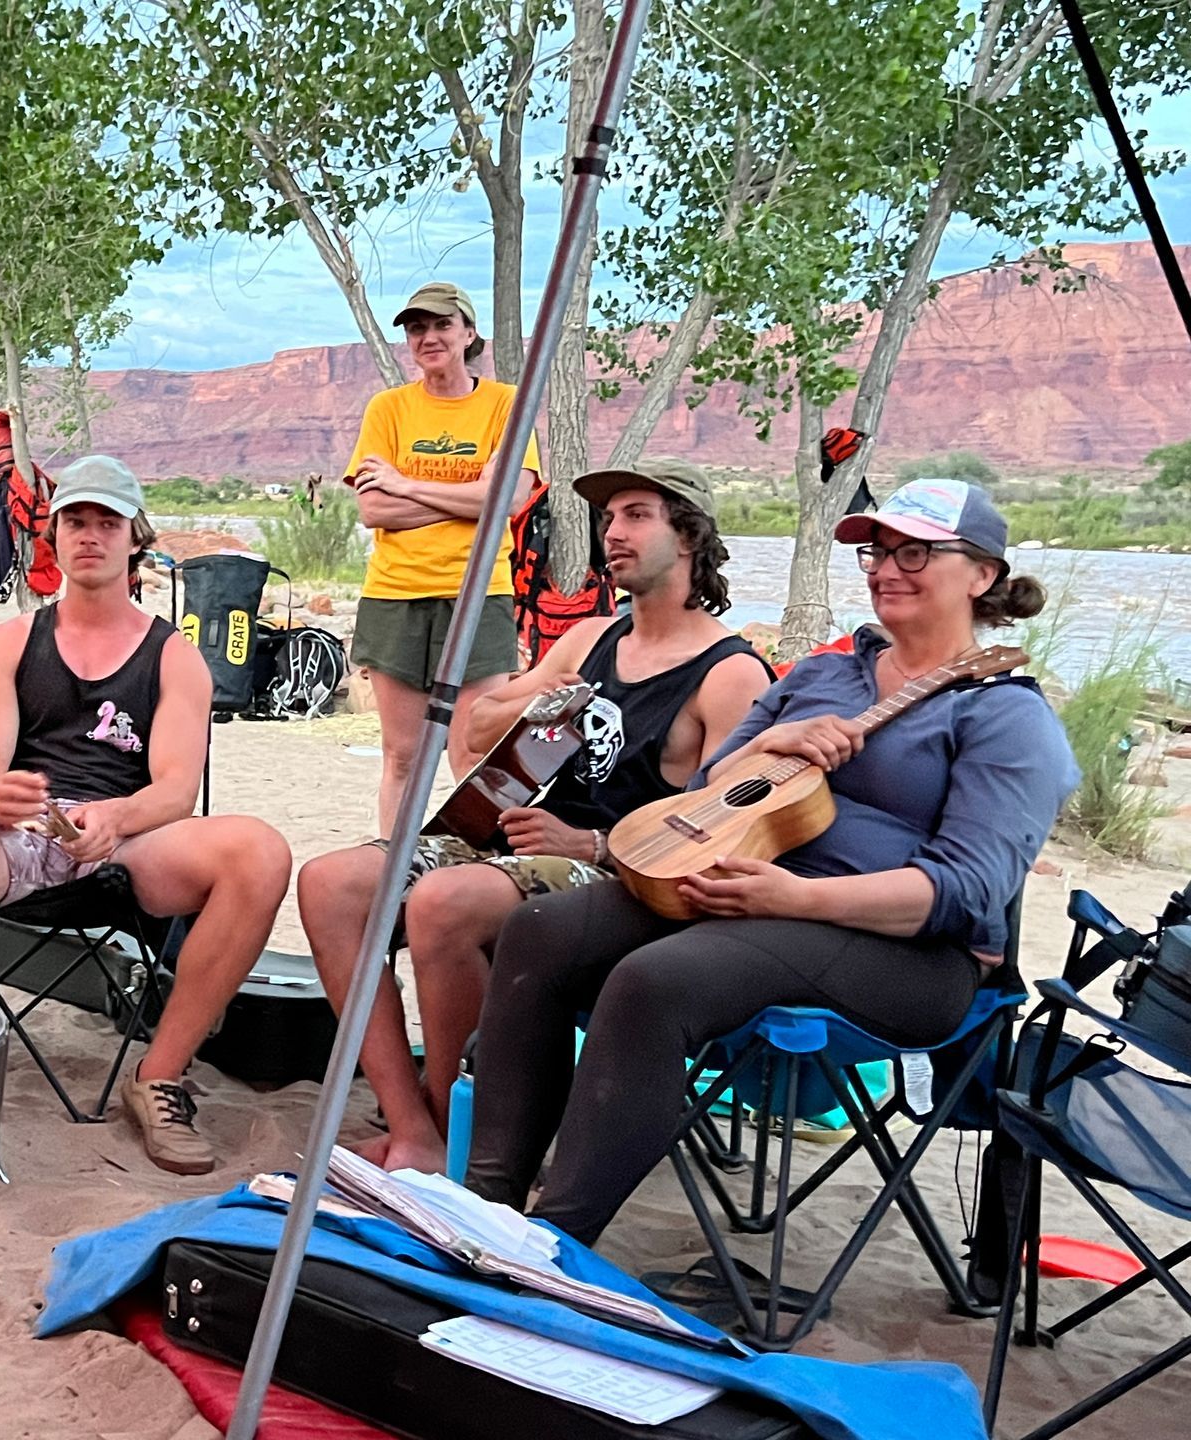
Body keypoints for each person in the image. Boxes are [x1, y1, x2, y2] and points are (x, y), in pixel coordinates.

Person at [463, 478, 1081, 1244]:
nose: (888, 569)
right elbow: (714, 784)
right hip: (749, 891)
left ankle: (551, 1241)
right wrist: (769, 743)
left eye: (915, 551)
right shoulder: (826, 674)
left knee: (658, 980)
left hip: (910, 955)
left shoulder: (1003, 714)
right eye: (877, 551)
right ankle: (484, 1204)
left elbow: (966, 891)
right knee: (542, 930)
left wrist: (787, 897)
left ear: (982, 574)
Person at [299, 460, 773, 1172]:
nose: (613, 533)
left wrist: (593, 841)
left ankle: (462, 1132)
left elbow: (729, 834)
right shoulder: (590, 641)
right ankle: (417, 1126)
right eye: (609, 519)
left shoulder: (730, 675)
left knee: (442, 902)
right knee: (330, 884)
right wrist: (535, 706)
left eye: (637, 515)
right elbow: (474, 732)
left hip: (624, 881)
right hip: (519, 843)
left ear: (691, 535)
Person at [0, 455, 292, 1176]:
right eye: (75, 521)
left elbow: (175, 791)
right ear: (54, 536)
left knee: (260, 851)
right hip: (16, 838)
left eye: (107, 523)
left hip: (123, 847)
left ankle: (158, 1077)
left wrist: (118, 818)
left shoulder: (175, 655)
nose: (90, 536)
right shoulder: (7, 642)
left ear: (136, 538)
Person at [346, 281, 543, 832]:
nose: (428, 337)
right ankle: (394, 870)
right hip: (396, 593)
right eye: (416, 328)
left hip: (480, 592)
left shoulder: (507, 404)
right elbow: (373, 512)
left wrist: (406, 485)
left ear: (468, 332)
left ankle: (475, 869)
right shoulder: (389, 409)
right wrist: (472, 503)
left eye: (441, 325)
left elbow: (510, 498)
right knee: (404, 756)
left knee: (475, 755)